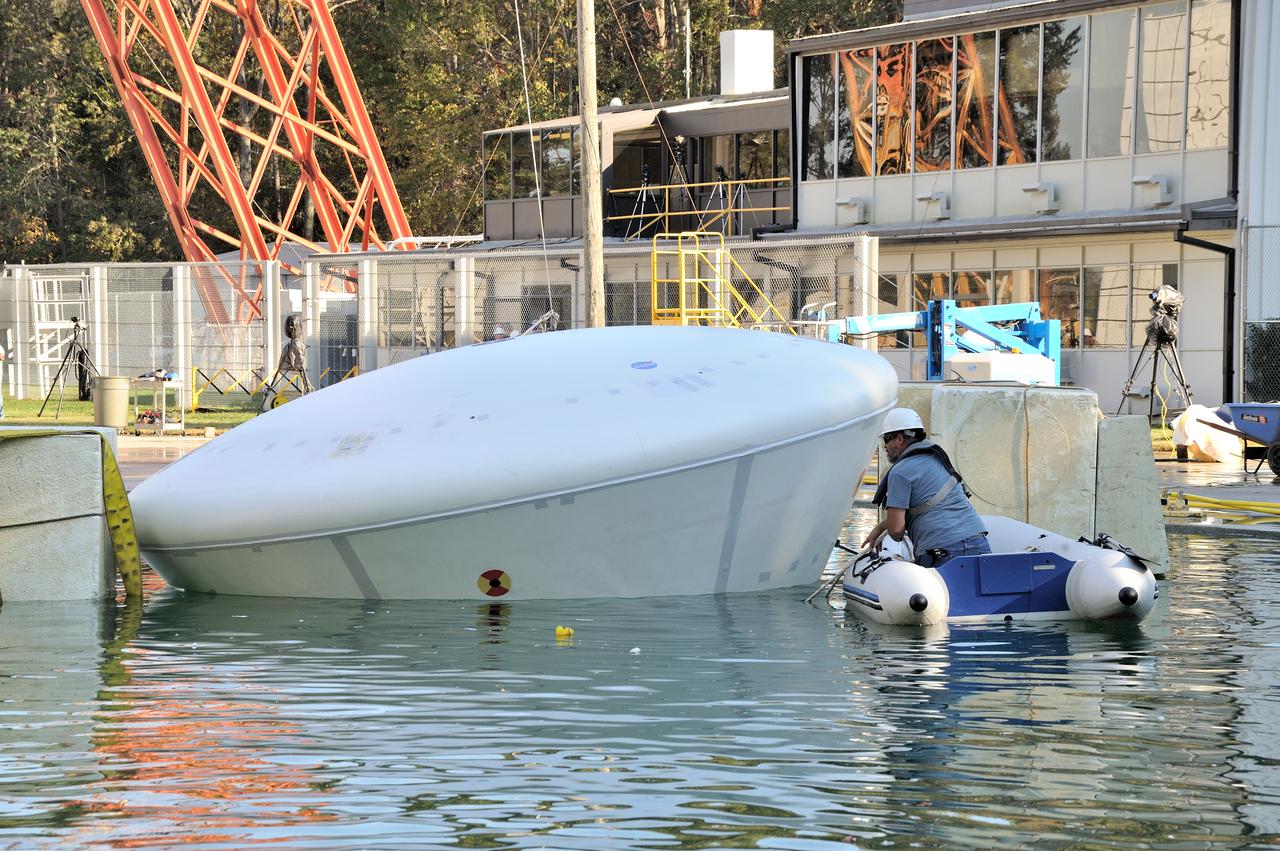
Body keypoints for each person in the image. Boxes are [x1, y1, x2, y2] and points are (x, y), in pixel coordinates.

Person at [862, 407, 991, 567]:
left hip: (942, 551)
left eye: (886, 439)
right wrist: (881, 527)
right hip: (978, 541)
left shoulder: (900, 472)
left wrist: (889, 530)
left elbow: (896, 531)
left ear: (900, 439)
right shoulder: (937, 457)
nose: (885, 446)